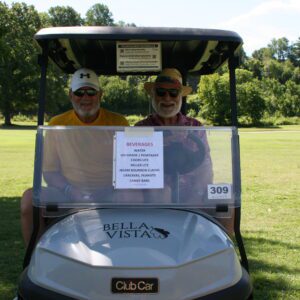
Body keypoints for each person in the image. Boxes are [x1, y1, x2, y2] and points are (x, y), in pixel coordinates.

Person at [21, 68, 129, 246]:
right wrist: (71, 191)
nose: (85, 98)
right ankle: (37, 257)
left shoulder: (118, 122)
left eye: (91, 92)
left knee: (132, 198)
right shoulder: (56, 124)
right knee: (28, 201)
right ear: (71, 95)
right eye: (79, 92)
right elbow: (50, 172)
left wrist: (110, 189)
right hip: (69, 192)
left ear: (100, 94)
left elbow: (129, 166)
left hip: (110, 191)